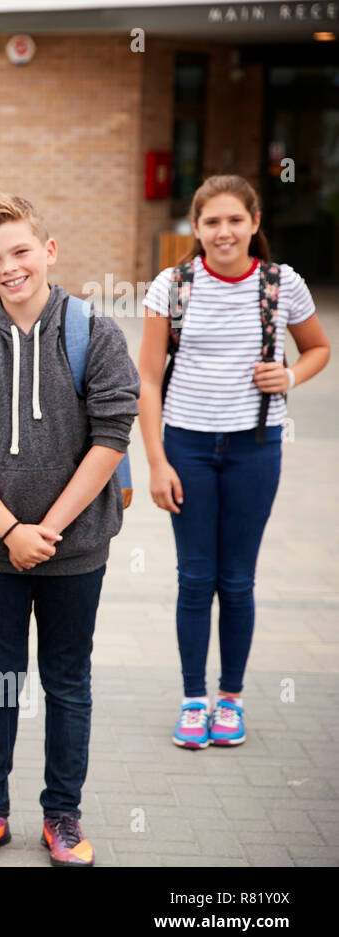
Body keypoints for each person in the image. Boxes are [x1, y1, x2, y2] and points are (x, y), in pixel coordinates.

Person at [0, 193, 139, 867]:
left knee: (67, 680)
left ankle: (62, 814)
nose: (10, 267)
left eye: (21, 251)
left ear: (48, 251)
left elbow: (111, 437)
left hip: (75, 548)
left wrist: (46, 529)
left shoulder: (94, 334)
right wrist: (8, 530)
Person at [137, 175, 328, 750]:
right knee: (195, 579)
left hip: (254, 447)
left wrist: (290, 374)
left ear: (254, 222)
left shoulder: (280, 284)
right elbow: (146, 378)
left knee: (238, 580)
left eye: (234, 220)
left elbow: (319, 347)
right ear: (195, 229)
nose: (224, 232)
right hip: (187, 449)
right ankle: (194, 700)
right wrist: (155, 462)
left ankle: (232, 700)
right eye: (212, 222)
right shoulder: (172, 287)